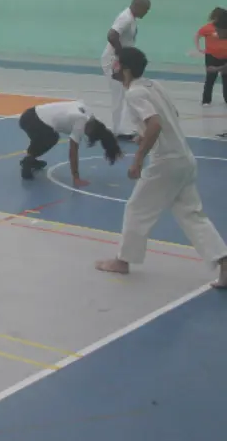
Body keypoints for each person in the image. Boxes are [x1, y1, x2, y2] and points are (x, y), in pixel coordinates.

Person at [95, 48, 227, 288]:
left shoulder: (134, 93)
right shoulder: (153, 85)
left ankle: (123, 261)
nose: (112, 66)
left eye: (115, 63)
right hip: (184, 159)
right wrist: (143, 134)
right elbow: (171, 115)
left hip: (166, 163)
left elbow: (155, 124)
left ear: (125, 69)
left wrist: (138, 159)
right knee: (192, 215)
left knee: (137, 208)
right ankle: (225, 264)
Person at [17, 100, 122, 186]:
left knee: (49, 137)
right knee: (50, 138)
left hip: (31, 115)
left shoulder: (89, 114)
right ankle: (28, 161)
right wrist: (76, 177)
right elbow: (73, 151)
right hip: (31, 120)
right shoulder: (81, 121)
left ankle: (30, 159)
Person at [101, 0, 150, 140]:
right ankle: (118, 130)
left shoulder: (131, 18)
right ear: (138, 6)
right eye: (146, 9)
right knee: (119, 94)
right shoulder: (126, 18)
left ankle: (123, 127)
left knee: (126, 92)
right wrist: (121, 54)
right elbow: (111, 35)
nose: (146, 13)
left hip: (122, 61)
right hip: (114, 61)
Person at [195, 7, 227, 107]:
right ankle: (206, 100)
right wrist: (199, 48)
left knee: (225, 78)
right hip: (211, 56)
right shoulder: (207, 28)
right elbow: (197, 36)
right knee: (210, 78)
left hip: (225, 56)